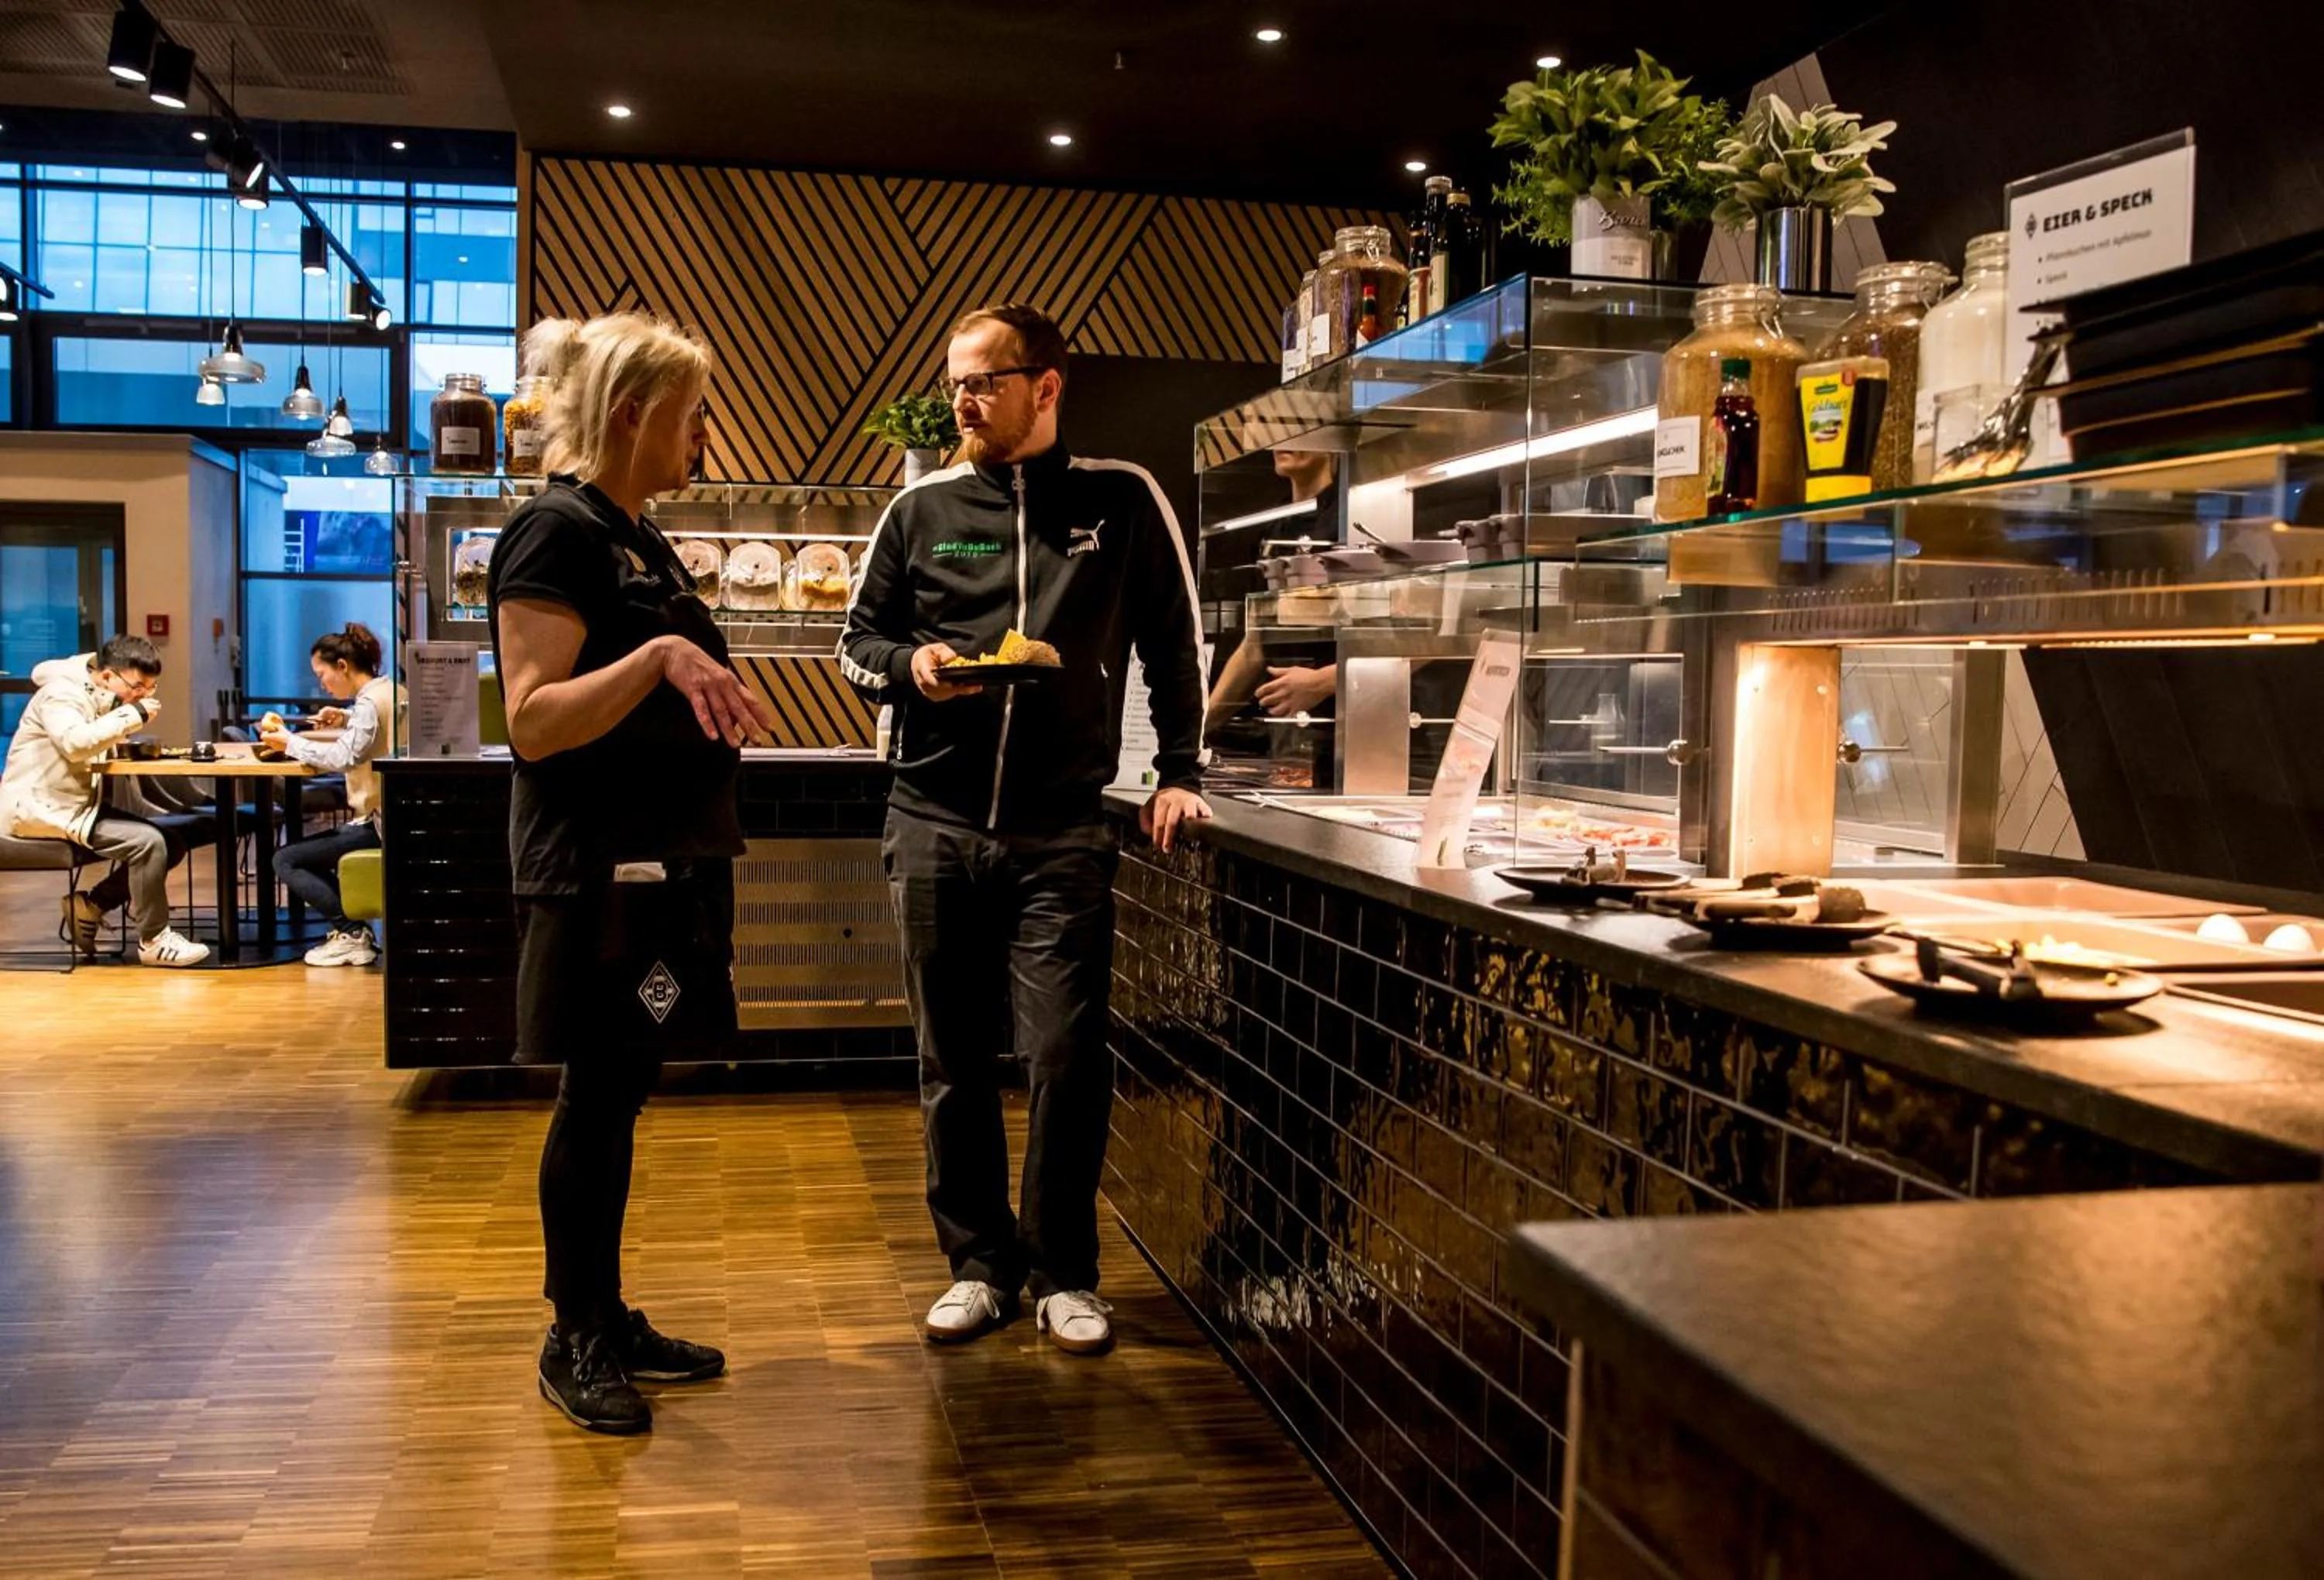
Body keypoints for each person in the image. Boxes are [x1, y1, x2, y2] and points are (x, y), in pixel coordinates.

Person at [840, 303, 1211, 1356]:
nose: (962, 399)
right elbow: (857, 642)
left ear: (1045, 387)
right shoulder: (920, 508)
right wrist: (911, 670)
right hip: (931, 818)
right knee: (951, 1057)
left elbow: (1172, 643)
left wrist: (1179, 773)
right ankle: (977, 1264)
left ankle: (1062, 1271)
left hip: (1062, 832)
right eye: (956, 381)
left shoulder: (1119, 499)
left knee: (1064, 1053)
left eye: (983, 382)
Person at [488, 311, 773, 1434]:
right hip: (600, 884)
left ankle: (605, 1311)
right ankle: (574, 1333)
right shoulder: (553, 534)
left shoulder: (639, 538)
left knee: (626, 1085)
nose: (704, 432)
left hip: (669, 883)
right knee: (595, 1093)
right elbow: (535, 722)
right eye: (693, 412)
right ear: (632, 414)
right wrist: (657, 654)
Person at [0, 634, 208, 967]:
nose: (142, 696)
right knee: (149, 842)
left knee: (171, 841)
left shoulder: (98, 695)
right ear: (109, 675)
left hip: (71, 805)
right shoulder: (61, 694)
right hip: (38, 810)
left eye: (150, 689)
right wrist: (132, 715)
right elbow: (75, 743)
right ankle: (154, 940)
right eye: (138, 686)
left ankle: (90, 907)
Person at [263, 623, 404, 967]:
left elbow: (343, 758)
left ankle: (351, 932)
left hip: (379, 824)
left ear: (342, 666)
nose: (321, 683)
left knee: (285, 859)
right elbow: (375, 726)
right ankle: (352, 929)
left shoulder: (369, 703)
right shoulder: (390, 690)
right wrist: (344, 716)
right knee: (301, 854)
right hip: (397, 813)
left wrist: (289, 742)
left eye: (321, 673)